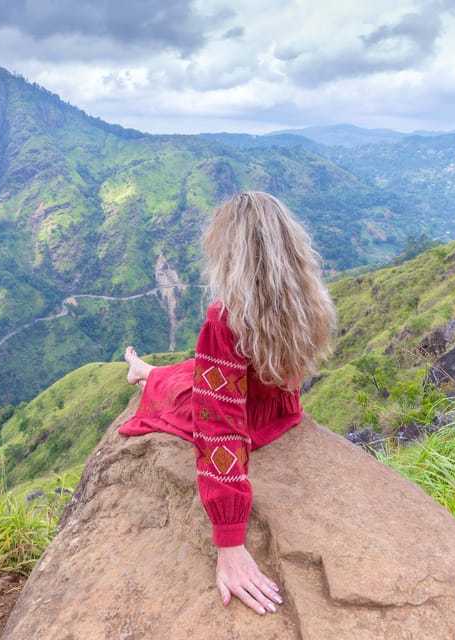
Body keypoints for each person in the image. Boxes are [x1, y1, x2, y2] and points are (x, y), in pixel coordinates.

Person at [119, 191, 337, 616]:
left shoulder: (227, 320)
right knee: (199, 369)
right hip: (277, 412)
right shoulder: (306, 301)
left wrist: (230, 541)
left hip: (243, 419)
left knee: (188, 387)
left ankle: (144, 373)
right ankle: (145, 370)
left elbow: (219, 430)